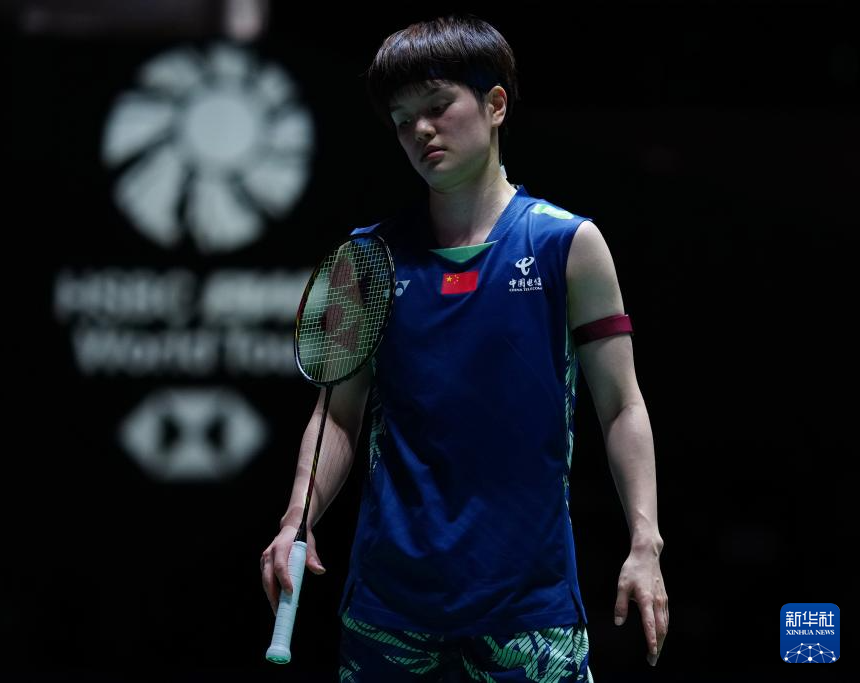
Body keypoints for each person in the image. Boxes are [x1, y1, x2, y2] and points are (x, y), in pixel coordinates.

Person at [261, 13, 667, 682]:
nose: (420, 130)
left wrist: (645, 540)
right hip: (389, 612)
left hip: (529, 611)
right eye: (402, 120)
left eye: (437, 105)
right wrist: (293, 521)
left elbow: (621, 406)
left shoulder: (567, 245)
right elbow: (338, 414)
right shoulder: (371, 258)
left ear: (495, 104)